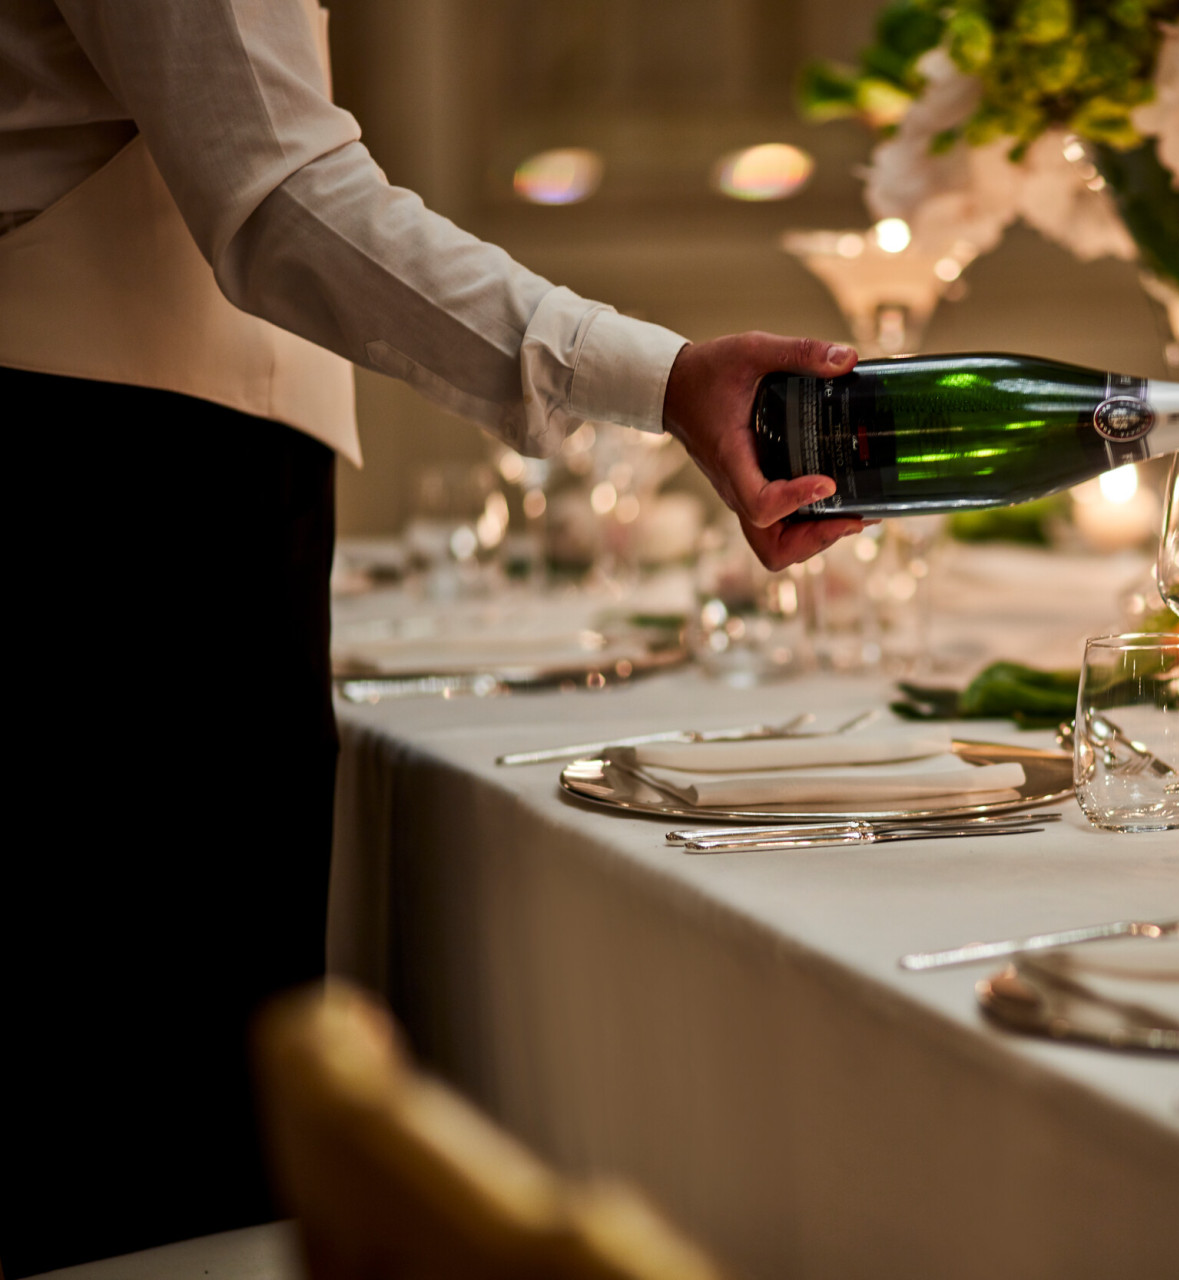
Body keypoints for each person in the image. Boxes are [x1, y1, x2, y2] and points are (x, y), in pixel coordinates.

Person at [0, 2, 859, 1273]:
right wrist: (662, 378)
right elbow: (283, 190)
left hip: (127, 478)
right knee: (146, 1146)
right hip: (114, 520)